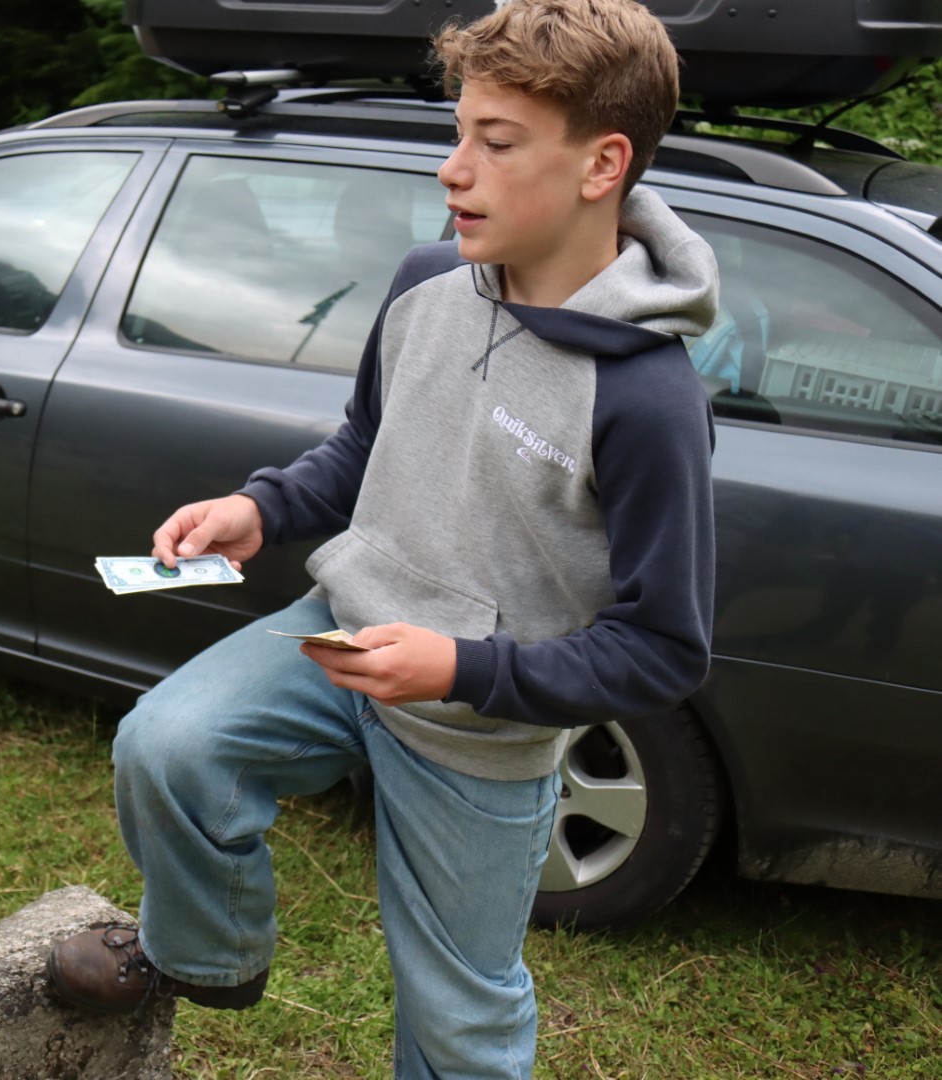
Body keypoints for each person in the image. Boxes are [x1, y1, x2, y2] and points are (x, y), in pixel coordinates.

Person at [47, 2, 719, 1077]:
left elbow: (663, 649)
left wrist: (458, 668)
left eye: (497, 143)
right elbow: (366, 442)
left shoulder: (647, 399)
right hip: (341, 635)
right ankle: (205, 955)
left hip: (480, 729)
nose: (455, 169)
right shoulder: (425, 283)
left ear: (602, 165)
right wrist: (263, 509)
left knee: (460, 1016)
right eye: (459, 133)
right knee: (168, 748)